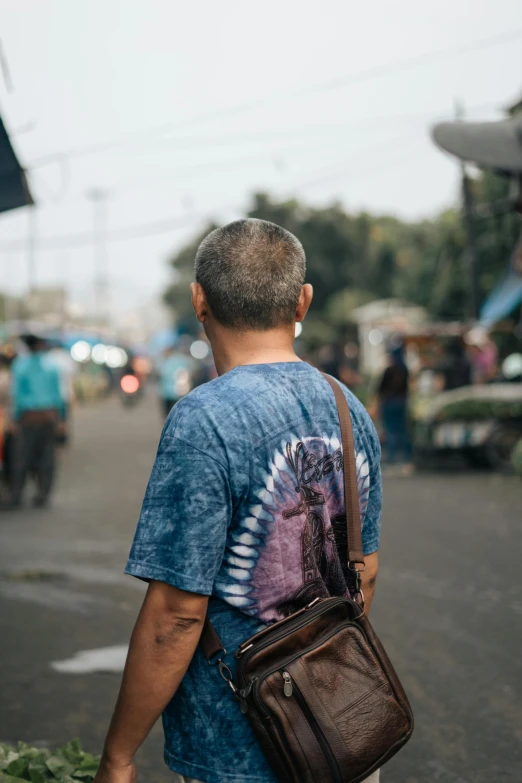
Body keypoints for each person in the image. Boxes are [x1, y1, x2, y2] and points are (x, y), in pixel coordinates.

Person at [94, 219, 382, 783]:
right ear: (303, 302)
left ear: (200, 300)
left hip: (237, 751)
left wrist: (118, 756)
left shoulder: (203, 420)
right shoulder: (348, 407)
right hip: (342, 735)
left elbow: (176, 617)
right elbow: (363, 574)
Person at [6, 335, 65, 508]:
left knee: (21, 457)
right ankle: (43, 494)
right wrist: (61, 418)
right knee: (46, 457)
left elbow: (15, 395)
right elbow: (58, 395)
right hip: (49, 416)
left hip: (28, 417)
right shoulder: (52, 366)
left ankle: (16, 495)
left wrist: (14, 418)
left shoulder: (20, 366)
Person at [377, 341, 413, 471]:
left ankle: (391, 460)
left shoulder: (388, 370)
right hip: (401, 403)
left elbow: (380, 390)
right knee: (402, 431)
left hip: (389, 404)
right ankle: (406, 459)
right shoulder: (405, 369)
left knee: (390, 431)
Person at [156, 343, 196, 418]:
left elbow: (160, 372)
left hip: (170, 392)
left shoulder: (166, 361)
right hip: (178, 391)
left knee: (168, 413)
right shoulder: (183, 359)